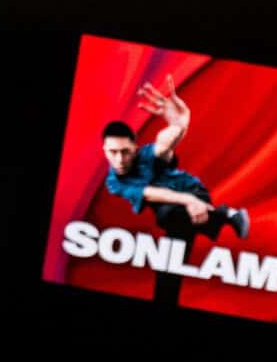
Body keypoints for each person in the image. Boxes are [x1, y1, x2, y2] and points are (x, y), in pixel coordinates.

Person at [98, 85, 250, 248]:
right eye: (113, 152)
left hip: (191, 190)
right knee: (173, 247)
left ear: (135, 148)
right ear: (104, 150)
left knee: (166, 216)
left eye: (125, 152)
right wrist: (188, 201)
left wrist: (178, 126)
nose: (119, 159)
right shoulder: (113, 182)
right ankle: (229, 215)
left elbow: (163, 146)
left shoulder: (146, 154)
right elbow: (150, 194)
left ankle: (226, 213)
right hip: (177, 204)